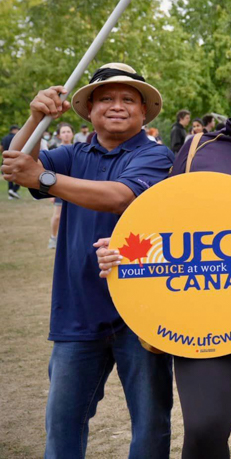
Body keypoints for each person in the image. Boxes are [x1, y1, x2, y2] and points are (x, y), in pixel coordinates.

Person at [97, 58, 231, 459]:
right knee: (204, 428)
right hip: (205, 310)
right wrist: (124, 252)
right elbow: (164, 220)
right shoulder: (198, 149)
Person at [1, 63, 174, 458]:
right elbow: (17, 163)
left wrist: (43, 178)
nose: (117, 105)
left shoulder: (156, 155)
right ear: (89, 110)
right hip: (76, 312)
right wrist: (36, 118)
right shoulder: (73, 154)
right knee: (62, 427)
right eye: (106, 98)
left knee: (150, 429)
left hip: (141, 315)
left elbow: (119, 196)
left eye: (128, 98)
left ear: (143, 111)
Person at [47, 122, 74, 249]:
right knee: (57, 216)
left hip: (76, 188)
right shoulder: (55, 151)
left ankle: (70, 240)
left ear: (72, 134)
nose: (66, 134)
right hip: (59, 188)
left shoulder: (79, 150)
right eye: (63, 132)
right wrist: (50, 193)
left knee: (74, 217)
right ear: (59, 135)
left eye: (68, 131)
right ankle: (53, 238)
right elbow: (49, 172)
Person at [2, 125, 21, 199]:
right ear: (15, 130)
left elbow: (1, 148)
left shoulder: (4, 138)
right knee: (19, 174)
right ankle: (14, 190)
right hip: (15, 158)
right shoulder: (17, 137)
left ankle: (11, 192)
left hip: (6, 158)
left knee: (9, 176)